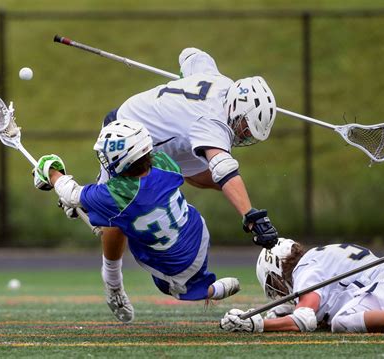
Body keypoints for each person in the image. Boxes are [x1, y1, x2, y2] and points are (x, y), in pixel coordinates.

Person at [92, 47, 280, 322]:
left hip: (163, 144)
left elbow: (190, 54)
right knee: (118, 215)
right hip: (127, 138)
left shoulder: (221, 82)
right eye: (243, 126)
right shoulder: (213, 121)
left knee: (208, 176)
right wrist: (250, 216)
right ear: (236, 108)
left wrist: (183, 79)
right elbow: (224, 168)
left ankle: (90, 202)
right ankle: (112, 281)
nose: (242, 134)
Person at [34, 119, 241, 322]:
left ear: (122, 159)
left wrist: (51, 171)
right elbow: (126, 200)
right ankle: (113, 284)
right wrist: (86, 206)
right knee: (122, 216)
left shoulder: (119, 195)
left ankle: (213, 290)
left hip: (178, 263)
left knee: (178, 289)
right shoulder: (163, 162)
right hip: (194, 230)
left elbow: (72, 194)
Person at [219, 239, 384, 333]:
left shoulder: (304, 270)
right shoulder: (317, 262)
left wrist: (257, 325)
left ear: (275, 269)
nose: (276, 291)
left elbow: (304, 319)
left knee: (343, 322)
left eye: (272, 283)